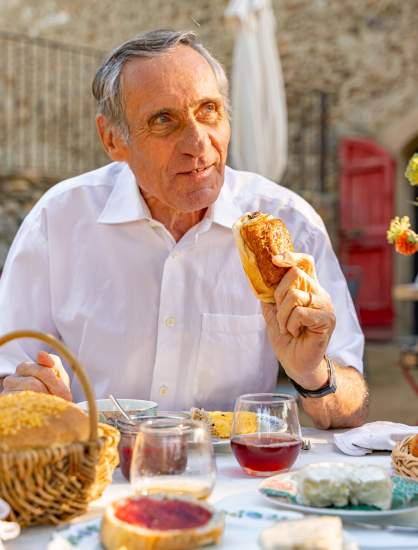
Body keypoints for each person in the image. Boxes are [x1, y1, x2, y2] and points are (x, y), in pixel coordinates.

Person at [0, 30, 368, 429]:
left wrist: (313, 374)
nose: (197, 142)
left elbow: (354, 407)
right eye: (164, 120)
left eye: (208, 110)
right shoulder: (59, 221)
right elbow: (9, 372)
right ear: (112, 139)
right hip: (98, 476)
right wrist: (23, 392)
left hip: (236, 482)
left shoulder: (290, 223)